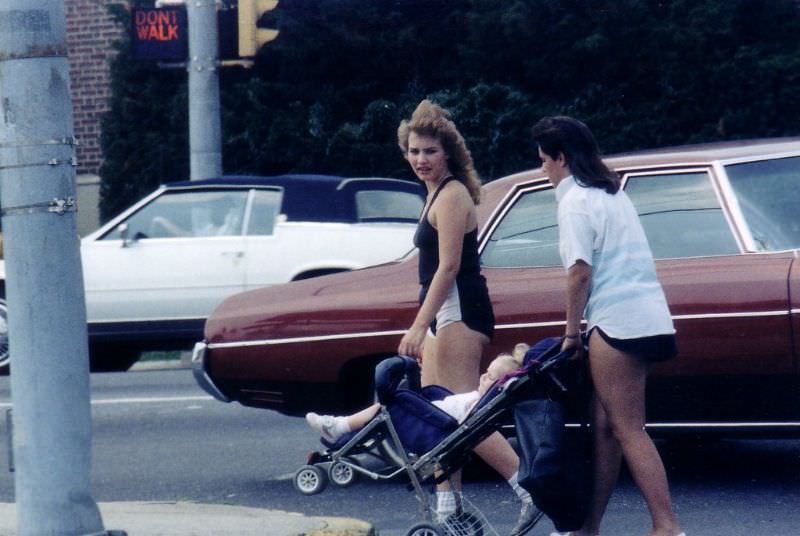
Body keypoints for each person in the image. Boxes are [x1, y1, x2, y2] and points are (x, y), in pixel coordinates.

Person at [530, 116, 685, 536]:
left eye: (543, 161)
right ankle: (588, 528)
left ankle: (667, 526)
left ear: (560, 158)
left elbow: (579, 272)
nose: (542, 169)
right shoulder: (611, 193)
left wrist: (569, 333)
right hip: (648, 316)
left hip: (618, 323)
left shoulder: (574, 201)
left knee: (628, 429)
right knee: (605, 430)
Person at [394, 99, 504, 525]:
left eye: (430, 151)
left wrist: (419, 326)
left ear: (449, 154)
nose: (421, 160)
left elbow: (450, 266)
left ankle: (530, 487)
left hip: (459, 310)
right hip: (444, 312)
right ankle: (448, 513)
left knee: (462, 416)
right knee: (439, 417)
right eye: (414, 151)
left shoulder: (453, 193)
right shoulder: (434, 193)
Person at [307, 345, 542, 536]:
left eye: (489, 376)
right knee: (387, 411)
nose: (482, 377)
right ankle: (449, 512)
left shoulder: (476, 404)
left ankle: (338, 426)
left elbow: (465, 416)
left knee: (386, 406)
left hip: (432, 419)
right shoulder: (482, 400)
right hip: (437, 415)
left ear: (499, 385)